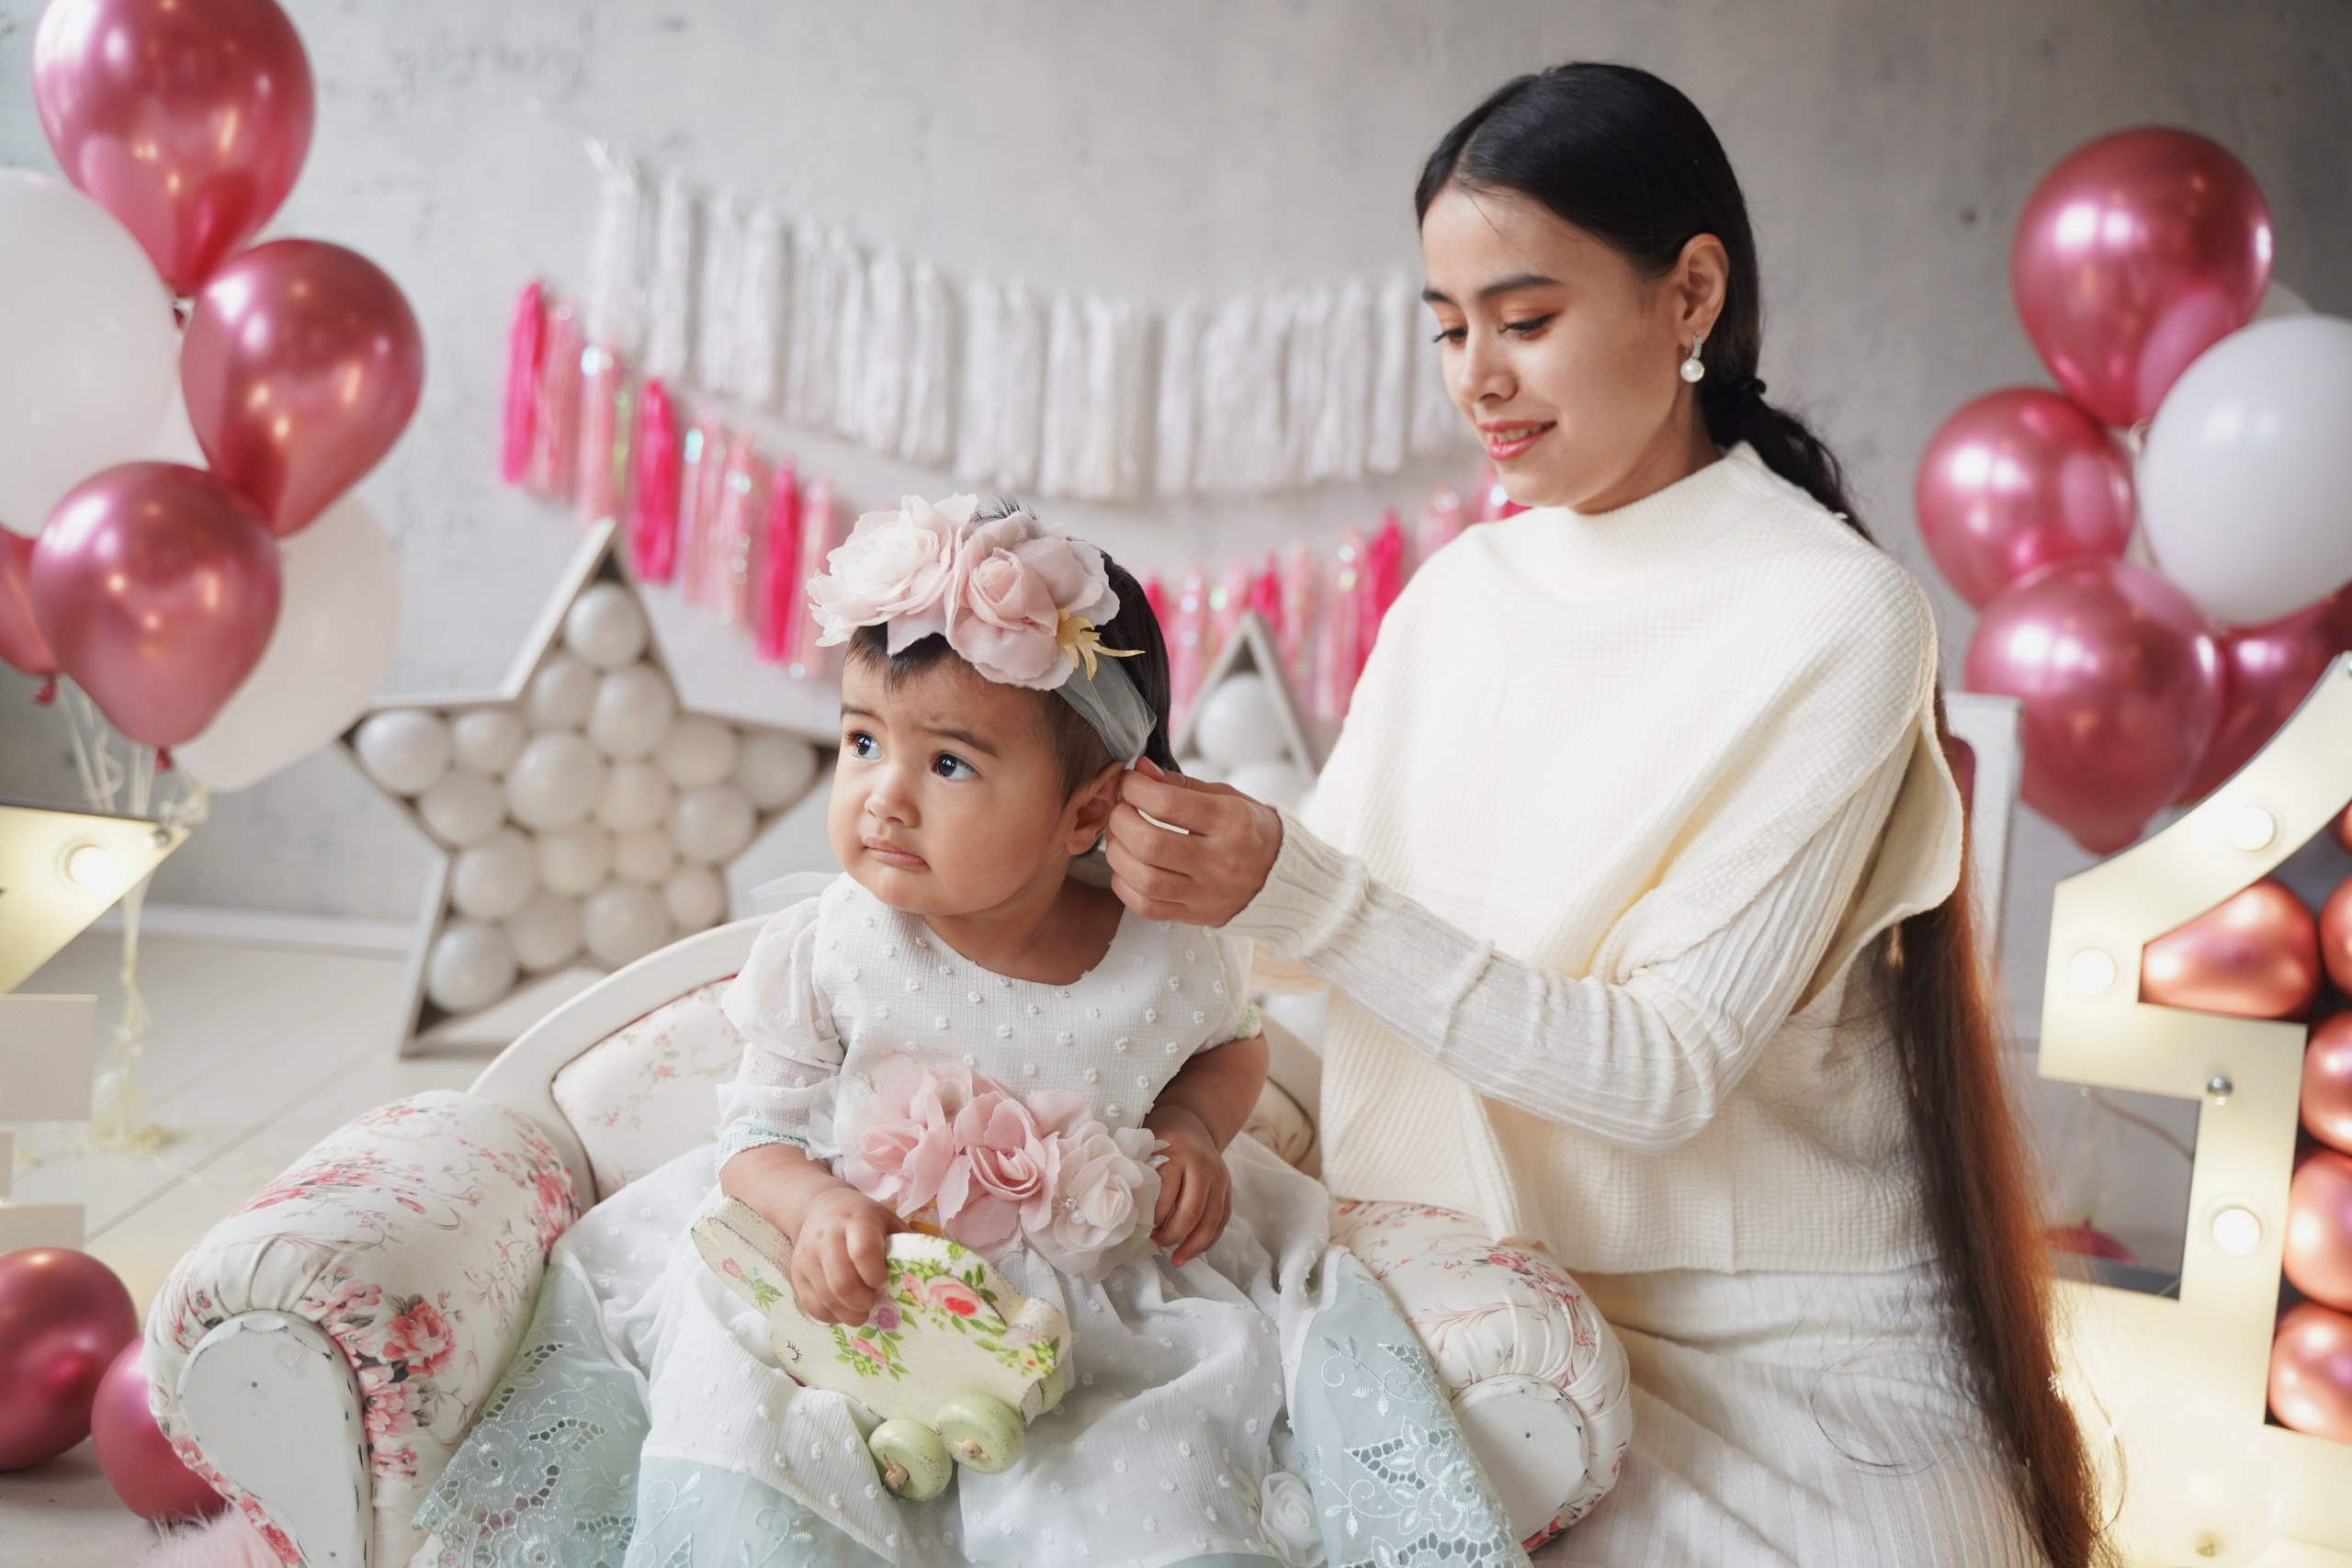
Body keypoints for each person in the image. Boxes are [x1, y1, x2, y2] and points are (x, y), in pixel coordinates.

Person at [1103, 63, 2101, 1568]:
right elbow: (1304, 975)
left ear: (1687, 293)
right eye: (1449, 330)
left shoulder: (1840, 620)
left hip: (1782, 1351)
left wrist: (1296, 890)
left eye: (1525, 318)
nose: (1476, 379)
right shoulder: (1459, 597)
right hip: (1481, 1300)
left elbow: (1659, 1075)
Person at [416, 495, 1523, 1568]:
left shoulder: (1164, 953)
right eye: (861, 742)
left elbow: (1232, 1048)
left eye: (946, 763)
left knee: (1131, 1477)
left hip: (1095, 1311)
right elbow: (751, 1139)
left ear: (1087, 812)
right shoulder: (837, 949)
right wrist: (817, 1207)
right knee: (756, 1425)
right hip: (855, 1293)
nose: (883, 797)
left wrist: (1189, 1129)